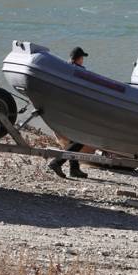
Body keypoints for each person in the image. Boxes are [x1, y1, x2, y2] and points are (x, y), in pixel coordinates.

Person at [48, 47, 89, 179]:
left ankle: (74, 169)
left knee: (73, 139)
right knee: (81, 138)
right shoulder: (79, 71)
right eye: (82, 58)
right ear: (79, 58)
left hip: (64, 109)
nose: (83, 60)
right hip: (75, 109)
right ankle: (57, 162)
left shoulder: (64, 69)